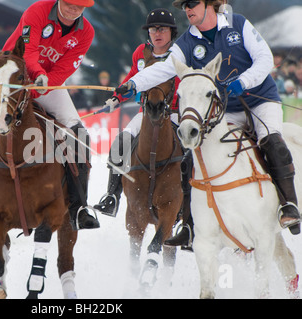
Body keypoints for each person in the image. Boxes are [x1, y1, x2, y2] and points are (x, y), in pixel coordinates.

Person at [117, 0, 301, 245]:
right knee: (193, 156)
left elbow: (265, 59)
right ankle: (190, 225)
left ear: (209, 5)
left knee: (272, 141)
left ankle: (289, 205)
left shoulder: (238, 24)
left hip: (260, 100)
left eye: (193, 3)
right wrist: (134, 84)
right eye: (185, 6)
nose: (188, 9)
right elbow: (164, 69)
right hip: (224, 110)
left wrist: (244, 81)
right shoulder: (186, 42)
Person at [0, 0, 99, 231]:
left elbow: (67, 66)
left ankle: (79, 207)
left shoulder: (86, 32)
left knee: (79, 135)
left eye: (80, 7)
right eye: (70, 4)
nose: (74, 10)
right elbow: (28, 50)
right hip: (11, 79)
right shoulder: (38, 11)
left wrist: (46, 84)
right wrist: (37, 73)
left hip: (47, 86)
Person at [94, 8, 179, 217]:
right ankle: (112, 195)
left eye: (163, 29)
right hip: (146, 113)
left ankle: (188, 208)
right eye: (153, 29)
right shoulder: (141, 52)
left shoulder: (180, 54)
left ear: (172, 32)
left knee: (188, 152)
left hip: (175, 112)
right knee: (121, 141)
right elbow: (132, 78)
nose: (157, 33)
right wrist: (117, 98)